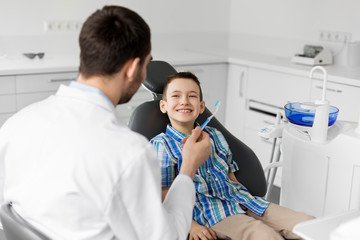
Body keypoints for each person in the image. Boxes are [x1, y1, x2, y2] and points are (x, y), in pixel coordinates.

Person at [0, 6, 212, 240]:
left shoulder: (16, 125)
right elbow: (167, 237)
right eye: (146, 65)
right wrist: (188, 168)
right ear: (133, 68)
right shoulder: (129, 153)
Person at [150, 72, 314, 240]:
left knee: (310, 226)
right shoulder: (162, 145)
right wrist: (192, 226)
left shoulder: (215, 136)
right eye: (176, 96)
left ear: (201, 107)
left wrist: (247, 204)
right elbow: (165, 196)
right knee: (265, 236)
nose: (184, 101)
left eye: (192, 96)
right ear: (164, 106)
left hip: (246, 202)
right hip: (211, 214)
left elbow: (230, 176)